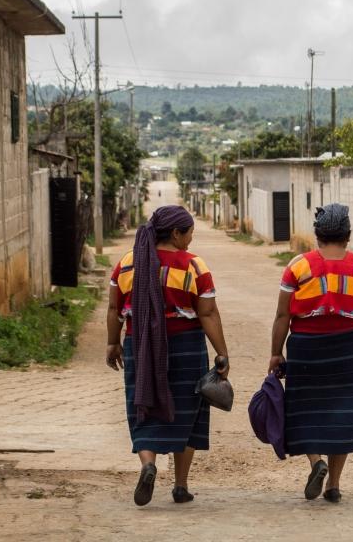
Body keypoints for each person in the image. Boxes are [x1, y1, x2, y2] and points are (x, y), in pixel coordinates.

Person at [269, 203, 353, 503]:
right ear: (348, 235)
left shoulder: (297, 266)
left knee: (303, 410)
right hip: (350, 349)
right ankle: (334, 485)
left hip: (306, 348)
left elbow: (282, 315)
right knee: (344, 414)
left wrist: (275, 353)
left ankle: (316, 463)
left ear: (317, 235)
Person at [106, 205, 229, 506]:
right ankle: (180, 486)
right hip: (186, 346)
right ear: (175, 234)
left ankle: (149, 465)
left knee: (143, 403)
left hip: (141, 345)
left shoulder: (126, 264)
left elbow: (113, 309)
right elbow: (208, 313)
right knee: (188, 413)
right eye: (189, 235)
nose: (190, 241)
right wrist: (222, 353)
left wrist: (112, 343)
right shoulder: (193, 266)